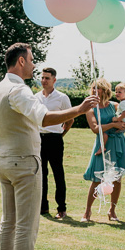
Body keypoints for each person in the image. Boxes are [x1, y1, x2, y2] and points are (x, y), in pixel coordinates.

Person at [0, 44, 98, 250]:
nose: (35, 64)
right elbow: (44, 117)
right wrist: (80, 110)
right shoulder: (18, 90)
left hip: (4, 160)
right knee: (27, 224)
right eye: (32, 59)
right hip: (24, 162)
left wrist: (7, 155)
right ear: (21, 62)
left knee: (8, 223)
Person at [81, 78, 125, 223]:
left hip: (119, 143)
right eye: (93, 89)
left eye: (98, 89)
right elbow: (95, 129)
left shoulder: (115, 105)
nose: (95, 91)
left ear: (105, 91)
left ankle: (112, 211)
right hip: (102, 144)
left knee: (117, 179)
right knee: (97, 179)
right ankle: (87, 212)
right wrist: (113, 124)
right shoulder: (90, 109)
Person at [36, 67, 72, 220]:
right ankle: (42, 206)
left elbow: (70, 118)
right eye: (42, 78)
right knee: (41, 174)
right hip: (39, 138)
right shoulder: (35, 97)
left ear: (54, 80)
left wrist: (61, 133)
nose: (44, 81)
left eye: (47, 78)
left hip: (55, 138)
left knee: (58, 173)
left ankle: (61, 208)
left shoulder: (62, 98)